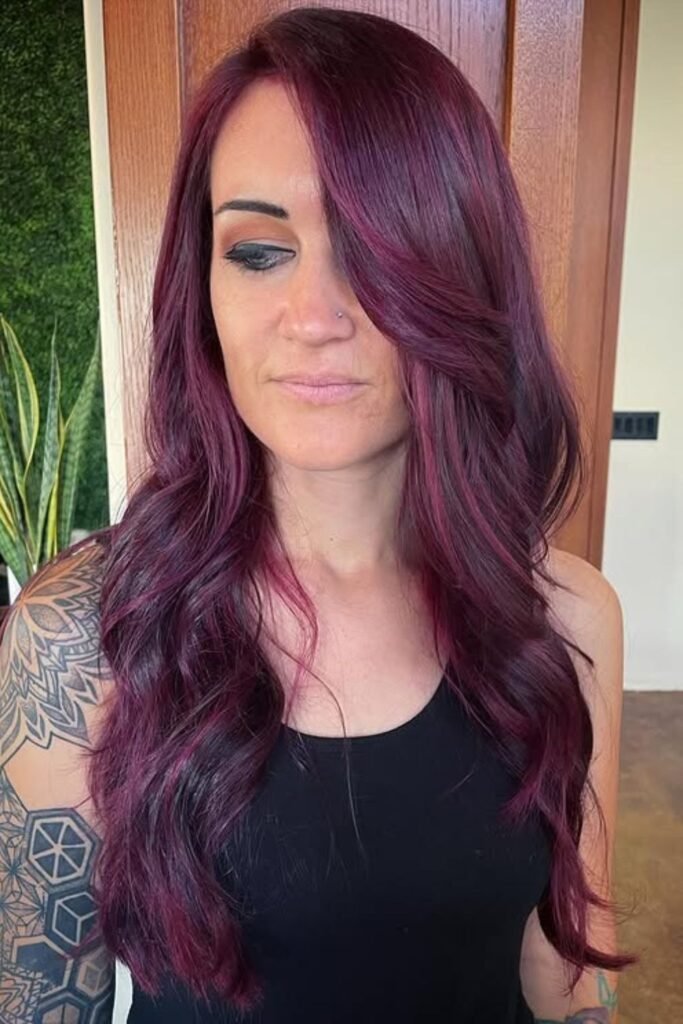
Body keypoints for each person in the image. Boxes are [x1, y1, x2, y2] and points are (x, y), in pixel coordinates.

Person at [0, 7, 633, 1023]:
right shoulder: (80, 640)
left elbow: (562, 971)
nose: (312, 317)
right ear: (202, 288)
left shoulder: (564, 620)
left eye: (373, 251)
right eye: (258, 251)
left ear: (460, 271)